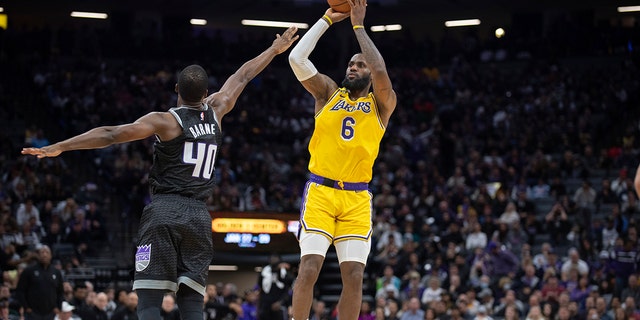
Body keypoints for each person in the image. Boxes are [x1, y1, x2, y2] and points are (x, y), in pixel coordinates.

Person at [21, 27, 299, 320]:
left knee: (150, 299)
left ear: (176, 90)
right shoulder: (217, 110)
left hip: (165, 211)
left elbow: (111, 134)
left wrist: (60, 147)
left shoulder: (166, 121)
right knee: (192, 301)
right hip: (200, 216)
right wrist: (274, 49)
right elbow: (242, 75)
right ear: (206, 94)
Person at [287, 0, 397, 318]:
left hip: (356, 198)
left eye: (358, 65)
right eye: (350, 63)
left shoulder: (382, 103)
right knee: (309, 268)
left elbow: (379, 69)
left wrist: (359, 27)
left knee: (354, 276)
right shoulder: (328, 93)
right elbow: (297, 58)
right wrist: (326, 20)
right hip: (321, 193)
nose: (353, 67)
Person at [15, 245, 64, 320]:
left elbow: (60, 292)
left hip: (51, 313)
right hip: (33, 313)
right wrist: (26, 307)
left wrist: (58, 307)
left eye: (47, 252)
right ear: (38, 255)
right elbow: (20, 291)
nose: (44, 254)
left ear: (50, 256)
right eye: (42, 252)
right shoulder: (29, 270)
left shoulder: (56, 272)